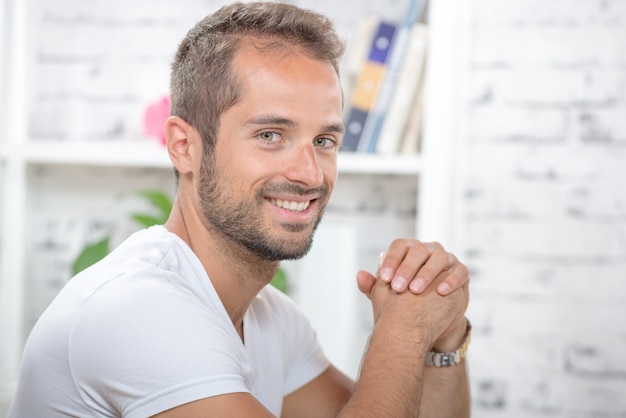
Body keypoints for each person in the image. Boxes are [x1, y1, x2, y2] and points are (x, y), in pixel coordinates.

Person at [8, 2, 471, 417]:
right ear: (184, 147)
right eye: (271, 135)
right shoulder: (137, 308)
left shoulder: (273, 320)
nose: (311, 174)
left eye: (324, 141)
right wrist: (403, 329)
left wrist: (442, 338)